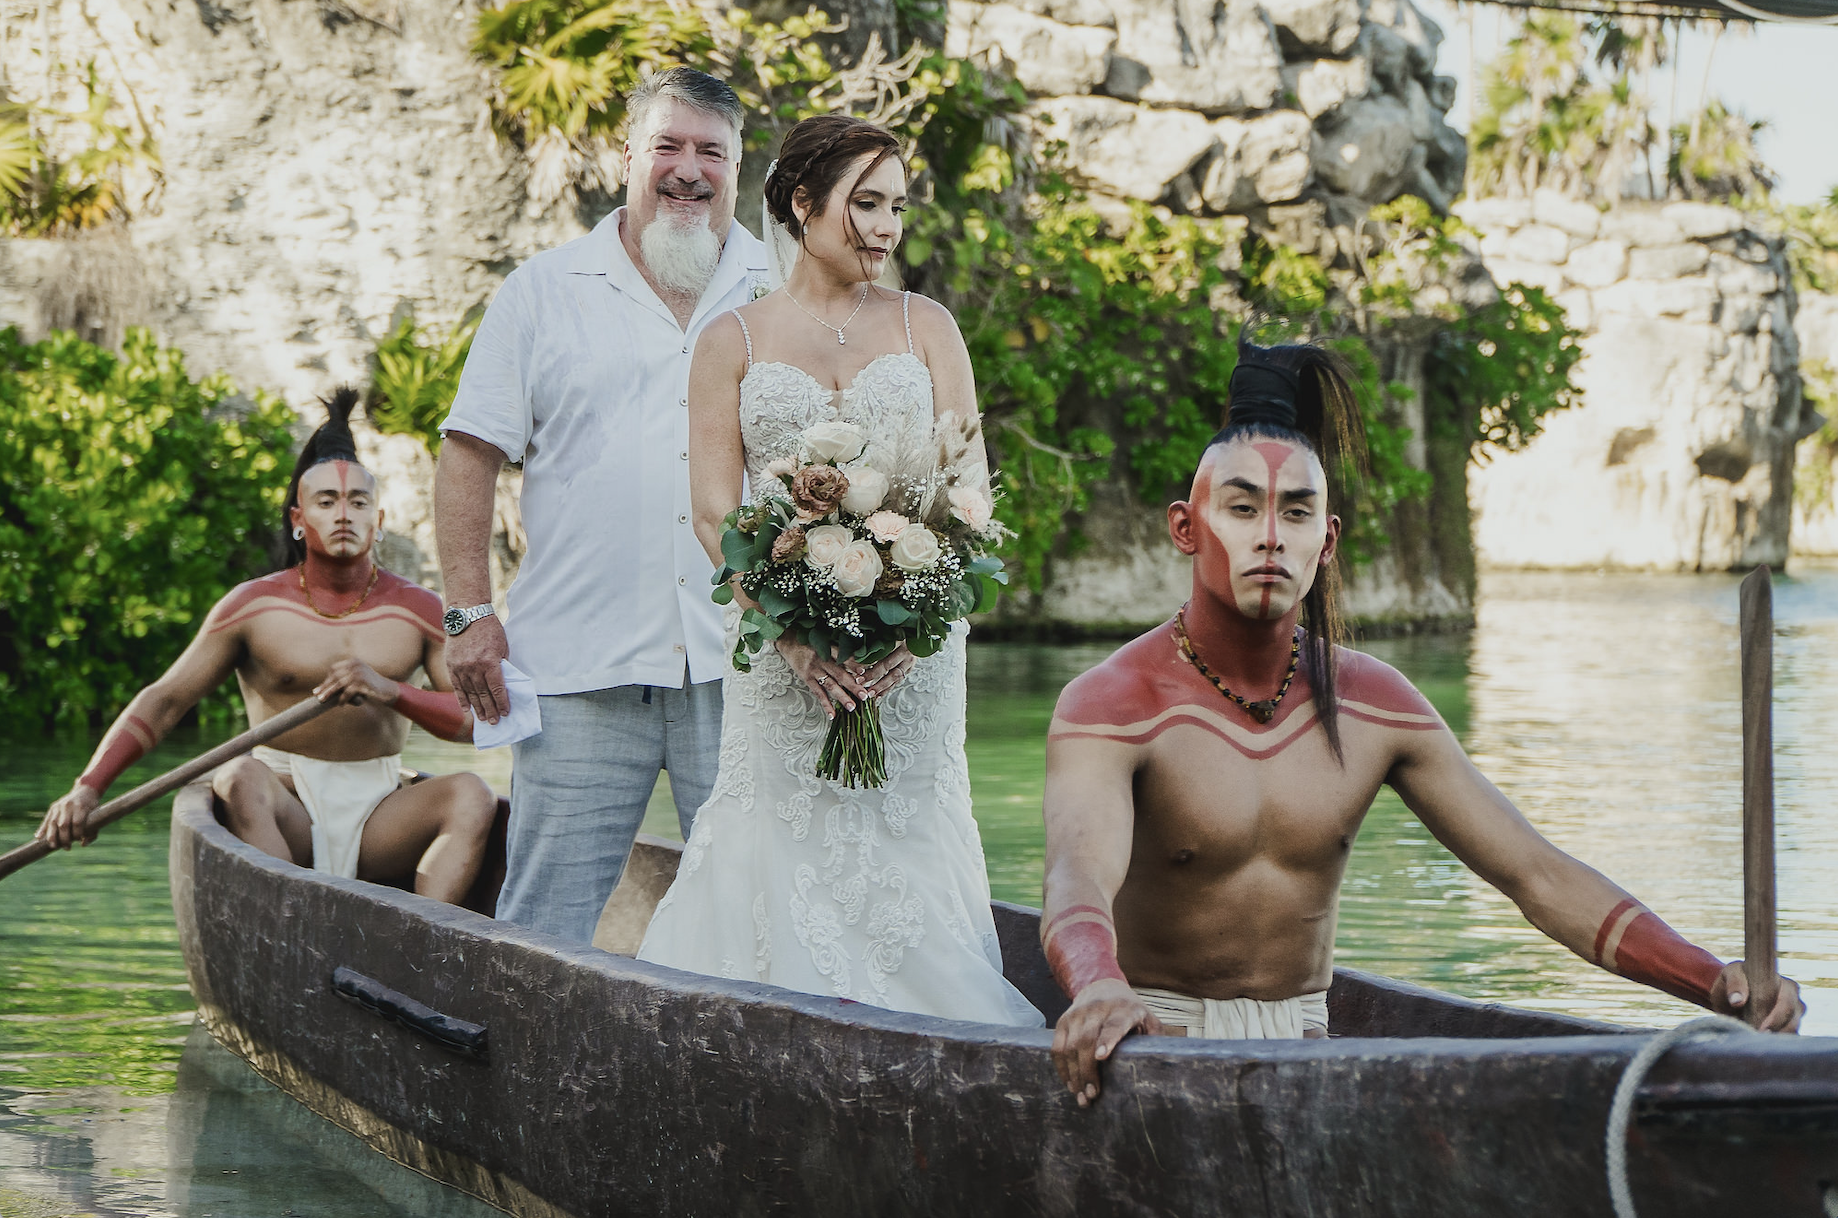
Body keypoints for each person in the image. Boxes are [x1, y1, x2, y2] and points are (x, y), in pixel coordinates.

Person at [1040, 335, 1805, 1104]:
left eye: (1297, 513)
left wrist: (1714, 981)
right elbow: (1077, 876)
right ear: (1185, 527)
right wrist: (1099, 986)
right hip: (1155, 1058)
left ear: (1326, 541)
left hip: (1310, 1063)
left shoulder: (1375, 704)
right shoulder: (1113, 703)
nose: (1271, 534)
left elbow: (1536, 874)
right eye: (1241, 508)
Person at [634, 114, 1041, 1027]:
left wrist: (922, 626)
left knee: (910, 834)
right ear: (801, 203)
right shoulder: (731, 341)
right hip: (782, 658)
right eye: (866, 204)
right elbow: (714, 514)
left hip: (912, 659)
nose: (887, 227)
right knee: (777, 836)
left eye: (897, 206)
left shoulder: (928, 326)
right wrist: (787, 637)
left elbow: (969, 494)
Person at [435, 69, 771, 944]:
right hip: (580, 669)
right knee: (542, 932)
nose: (688, 170)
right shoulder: (542, 290)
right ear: (627, 156)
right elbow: (469, 455)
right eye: (667, 146)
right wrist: (468, 613)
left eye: (711, 152)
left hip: (746, 667)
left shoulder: (781, 289)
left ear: (738, 168)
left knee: (757, 922)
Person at [36, 390, 497, 903]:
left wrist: (392, 691)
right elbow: (165, 700)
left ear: (379, 520)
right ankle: (292, 920)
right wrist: (88, 788)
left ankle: (421, 936)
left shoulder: (421, 609)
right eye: (327, 502)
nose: (344, 514)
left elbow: (475, 721)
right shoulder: (252, 606)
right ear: (299, 520)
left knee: (472, 793)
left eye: (358, 502)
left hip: (381, 811)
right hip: (282, 804)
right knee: (237, 776)